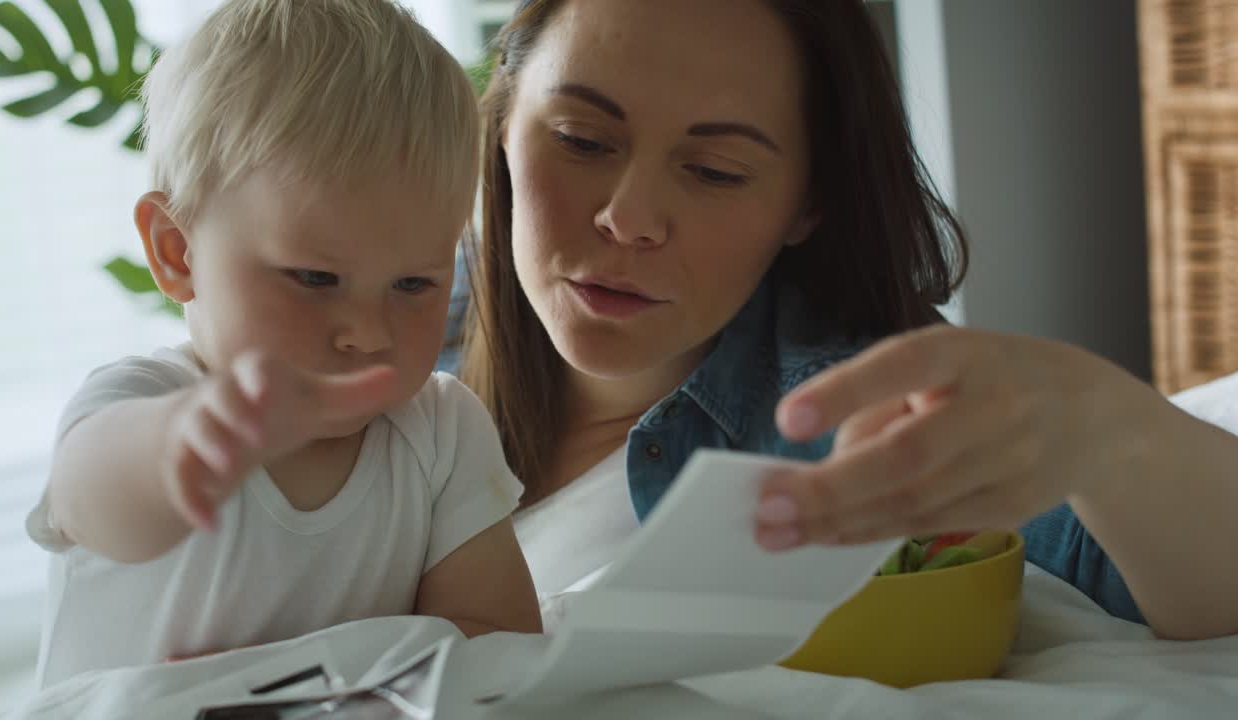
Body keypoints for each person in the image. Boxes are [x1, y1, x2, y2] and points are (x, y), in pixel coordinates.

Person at [455, 0, 1238, 641]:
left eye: (714, 171)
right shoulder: (384, 323)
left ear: (808, 203)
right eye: (581, 141)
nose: (629, 219)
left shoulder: (852, 418)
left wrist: (1105, 425)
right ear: (501, 123)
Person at [26, 0, 541, 689]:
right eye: (315, 278)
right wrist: (180, 443)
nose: (368, 333)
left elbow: (498, 654)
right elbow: (96, 507)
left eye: (415, 283)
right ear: (177, 252)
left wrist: (299, 685)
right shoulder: (142, 405)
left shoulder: (442, 435)